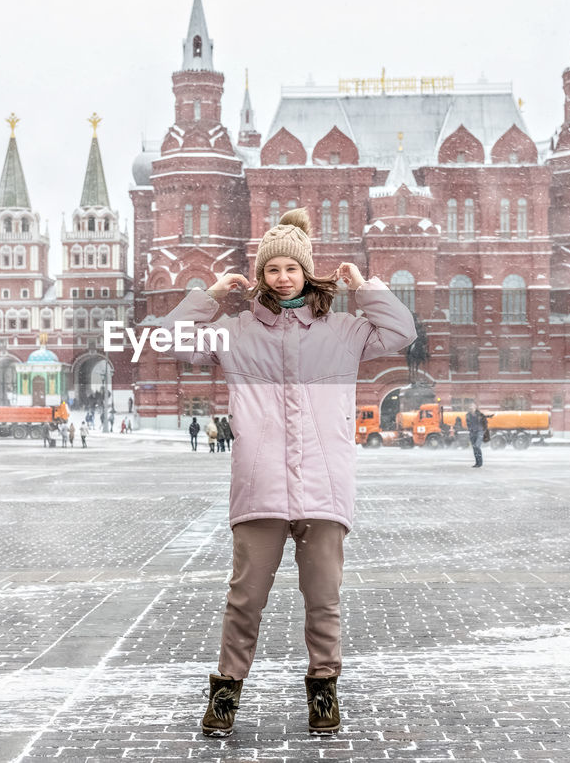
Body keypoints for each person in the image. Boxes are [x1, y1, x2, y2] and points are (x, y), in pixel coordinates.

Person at [162, 208, 415, 737]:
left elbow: (400, 331)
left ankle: (324, 691)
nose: (281, 277)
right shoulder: (235, 332)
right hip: (260, 488)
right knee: (244, 601)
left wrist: (365, 286)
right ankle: (226, 693)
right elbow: (169, 341)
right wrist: (208, 296)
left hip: (325, 487)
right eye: (271, 268)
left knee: (324, 599)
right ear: (261, 277)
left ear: (306, 272)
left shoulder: (344, 331)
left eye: (291, 268)